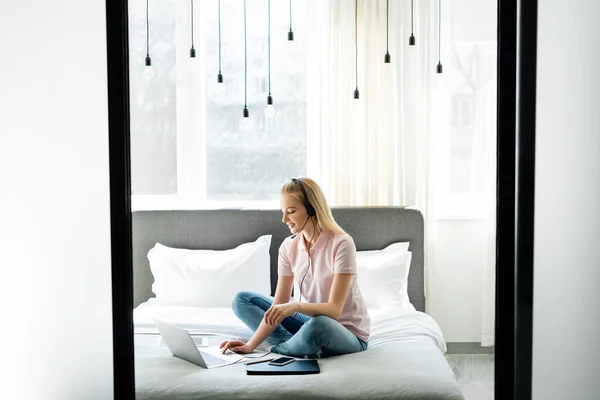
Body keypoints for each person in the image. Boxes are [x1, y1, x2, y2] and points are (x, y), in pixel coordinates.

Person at [219, 178, 370, 359]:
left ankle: (281, 348)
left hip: (346, 334)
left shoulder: (342, 243)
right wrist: (250, 345)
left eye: (291, 212)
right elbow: (279, 304)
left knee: (319, 325)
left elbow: (334, 310)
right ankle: (301, 342)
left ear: (312, 209)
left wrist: (294, 307)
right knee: (241, 300)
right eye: (283, 212)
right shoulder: (288, 247)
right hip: (311, 322)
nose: (284, 219)